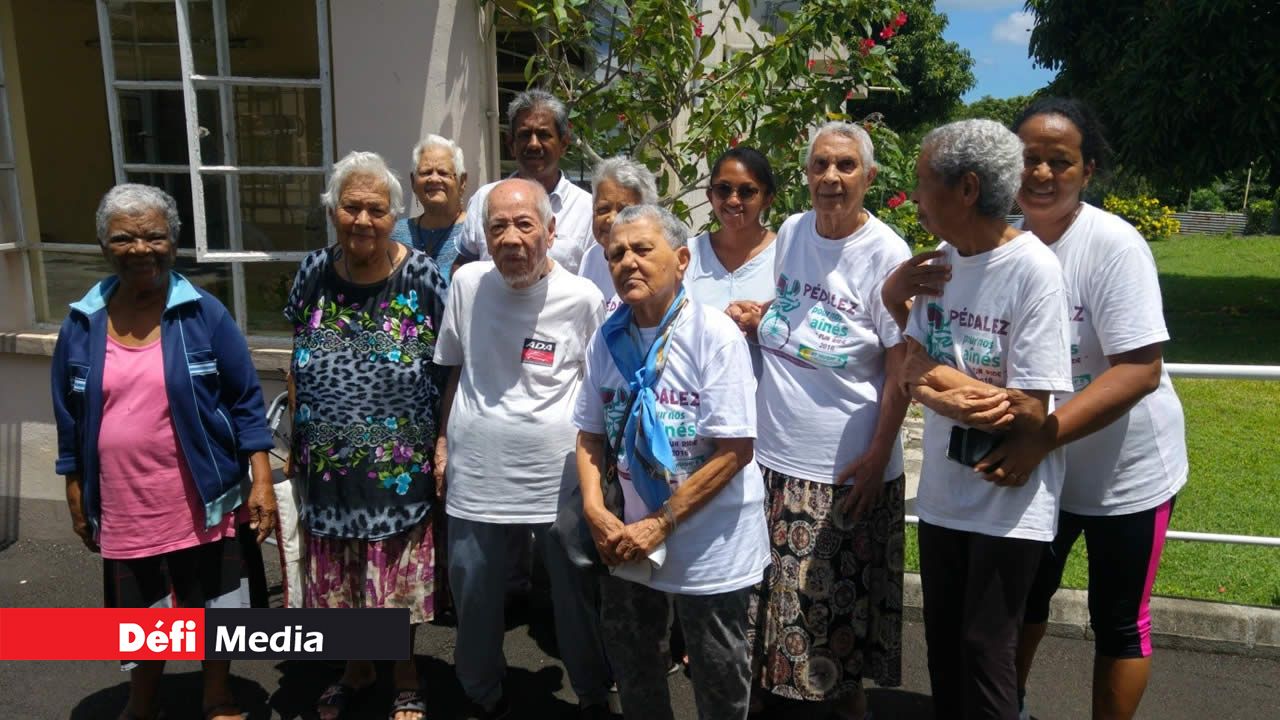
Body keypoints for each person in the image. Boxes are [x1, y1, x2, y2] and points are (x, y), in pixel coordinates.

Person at [51, 183, 277, 720]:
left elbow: (245, 398)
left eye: (154, 236)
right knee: (142, 606)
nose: (141, 249)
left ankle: (216, 693)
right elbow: (68, 412)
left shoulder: (203, 314)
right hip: (126, 498)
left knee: (215, 600)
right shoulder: (83, 323)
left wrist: (262, 479)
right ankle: (142, 697)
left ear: (173, 242)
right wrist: (73, 484)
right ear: (105, 246)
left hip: (205, 494)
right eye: (124, 238)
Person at [1002, 98, 1185, 720]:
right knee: (1023, 598)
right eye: (1029, 159)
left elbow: (1140, 369)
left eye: (1061, 161)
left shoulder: (1112, 245)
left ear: (1089, 171)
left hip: (1126, 472)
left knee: (1119, 618)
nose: (1043, 174)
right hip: (1046, 471)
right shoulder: (1007, 246)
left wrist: (1041, 437)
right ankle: (1010, 708)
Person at [897, 119, 1073, 720]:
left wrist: (937, 385)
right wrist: (943, 387)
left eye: (922, 182)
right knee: (943, 647)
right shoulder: (941, 264)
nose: (914, 196)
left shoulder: (1033, 271)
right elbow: (904, 359)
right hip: (945, 497)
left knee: (985, 652)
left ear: (966, 188)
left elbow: (1027, 410)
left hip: (1007, 502)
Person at [737, 122, 912, 719]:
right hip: (772, 459)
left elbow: (900, 367)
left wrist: (879, 455)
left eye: (845, 166)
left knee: (830, 637)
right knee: (765, 625)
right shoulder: (790, 231)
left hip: (843, 471)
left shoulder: (887, 254)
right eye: (820, 166)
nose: (831, 178)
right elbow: (798, 312)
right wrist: (760, 317)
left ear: (868, 176)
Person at [574, 204, 769, 720]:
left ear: (681, 259)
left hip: (710, 540)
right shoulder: (607, 338)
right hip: (629, 533)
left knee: (719, 675)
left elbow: (735, 451)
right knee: (634, 666)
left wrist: (662, 523)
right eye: (617, 253)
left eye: (643, 249)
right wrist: (595, 509)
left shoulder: (713, 335)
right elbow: (591, 434)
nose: (628, 262)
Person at [433, 178, 613, 719]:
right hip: (477, 467)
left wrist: (597, 475)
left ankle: (592, 692)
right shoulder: (465, 283)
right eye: (498, 226)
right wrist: (442, 442)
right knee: (474, 591)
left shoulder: (583, 298)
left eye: (524, 224)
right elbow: (456, 369)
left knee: (574, 590)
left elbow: (599, 389)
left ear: (552, 231)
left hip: (557, 471)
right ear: (483, 235)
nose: (511, 238)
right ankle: (477, 692)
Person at [284, 151, 448, 720]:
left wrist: (444, 440)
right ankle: (355, 667)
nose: (362, 220)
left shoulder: (423, 275)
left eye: (375, 210)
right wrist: (294, 430)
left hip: (398, 464)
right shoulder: (312, 270)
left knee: (391, 570)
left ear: (392, 215)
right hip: (326, 461)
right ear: (332, 211)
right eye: (350, 207)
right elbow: (297, 353)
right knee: (342, 568)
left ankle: (405, 673)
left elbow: (450, 365)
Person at [455, 89, 594, 274]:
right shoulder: (484, 199)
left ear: (563, 144)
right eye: (524, 134)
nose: (534, 144)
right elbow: (463, 266)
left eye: (544, 135)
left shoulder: (586, 210)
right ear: (511, 144)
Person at [685, 146, 778, 376]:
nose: (733, 200)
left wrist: (762, 327)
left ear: (767, 199)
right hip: (696, 399)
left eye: (747, 192)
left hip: (765, 404)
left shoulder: (786, 255)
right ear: (710, 196)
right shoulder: (688, 255)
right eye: (723, 190)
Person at [578, 155, 658, 306]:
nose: (611, 219)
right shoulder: (591, 257)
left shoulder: (657, 260)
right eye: (603, 209)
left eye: (624, 210)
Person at [390, 133, 467, 286]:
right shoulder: (396, 234)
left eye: (443, 172)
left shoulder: (474, 233)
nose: (434, 179)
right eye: (426, 172)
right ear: (413, 181)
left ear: (462, 181)